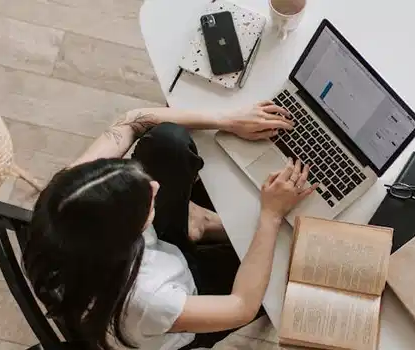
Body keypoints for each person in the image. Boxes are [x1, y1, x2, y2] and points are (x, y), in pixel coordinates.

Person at [22, 101, 318, 350]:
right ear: (128, 234)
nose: (154, 186)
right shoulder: (149, 299)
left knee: (167, 141)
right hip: (185, 297)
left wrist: (227, 120)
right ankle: (203, 225)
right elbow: (241, 306)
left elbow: (131, 122)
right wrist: (271, 215)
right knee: (285, 269)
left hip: (149, 257)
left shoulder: (64, 197)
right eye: (146, 199)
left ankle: (199, 223)